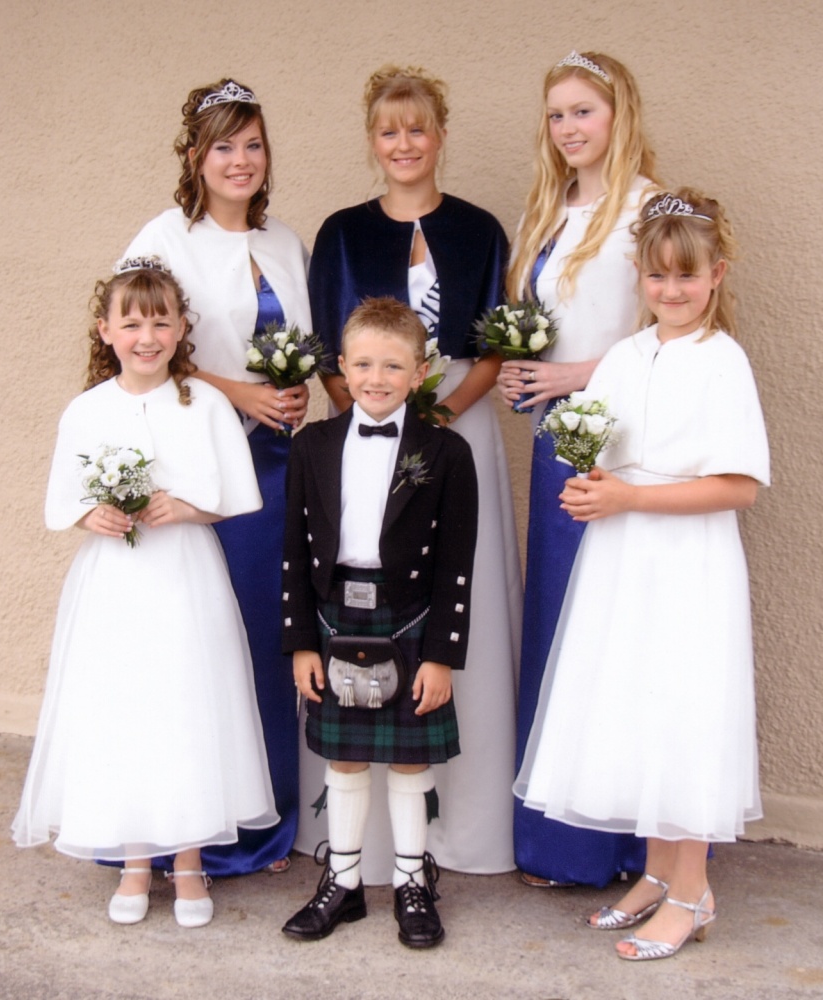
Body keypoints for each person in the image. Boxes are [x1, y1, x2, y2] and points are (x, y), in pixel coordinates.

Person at [515, 189, 770, 960]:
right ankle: (658, 876)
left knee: (682, 712)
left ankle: (692, 893)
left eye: (686, 277)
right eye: (657, 276)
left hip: (686, 563)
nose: (671, 291)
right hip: (622, 561)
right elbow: (595, 450)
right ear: (638, 276)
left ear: (716, 274)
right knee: (634, 704)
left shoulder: (721, 362)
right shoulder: (625, 359)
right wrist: (591, 484)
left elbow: (739, 486)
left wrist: (628, 494)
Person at [12, 260, 279, 927]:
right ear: (105, 331)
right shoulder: (88, 409)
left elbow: (235, 497)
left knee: (186, 706)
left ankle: (188, 864)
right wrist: (90, 515)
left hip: (185, 574)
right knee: (125, 706)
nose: (147, 336)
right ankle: (135, 862)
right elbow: (62, 499)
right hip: (116, 581)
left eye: (161, 321)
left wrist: (185, 509)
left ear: (182, 327)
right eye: (131, 322)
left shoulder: (205, 402)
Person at [303, 64, 520, 882]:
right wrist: (379, 415)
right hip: (366, 416)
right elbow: (330, 348)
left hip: (455, 425)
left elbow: (495, 340)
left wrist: (442, 412)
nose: (404, 143)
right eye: (388, 130)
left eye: (417, 128)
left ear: (439, 136)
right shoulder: (343, 232)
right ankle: (352, 838)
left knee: (454, 587)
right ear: (372, 141)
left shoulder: (478, 227)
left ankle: (460, 827)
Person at [124, 79, 312, 875]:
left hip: (276, 470)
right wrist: (239, 392)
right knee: (201, 639)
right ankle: (182, 825)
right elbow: (133, 344)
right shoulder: (164, 238)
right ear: (195, 156)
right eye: (224, 145)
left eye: (254, 144)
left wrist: (302, 391)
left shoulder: (286, 245)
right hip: (203, 467)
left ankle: (263, 821)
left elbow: (307, 345)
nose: (241, 161)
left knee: (269, 637)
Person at [497, 50, 659, 887]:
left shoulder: (645, 212)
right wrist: (530, 370)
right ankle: (557, 840)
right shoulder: (549, 209)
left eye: (582, 112)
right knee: (562, 623)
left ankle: (623, 844)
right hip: (557, 440)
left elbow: (664, 334)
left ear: (617, 114)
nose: (567, 129)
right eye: (556, 114)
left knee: (612, 634)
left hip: (624, 444)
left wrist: (570, 375)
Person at [280, 297, 478, 947]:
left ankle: (410, 884)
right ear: (339, 368)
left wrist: (441, 655)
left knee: (407, 765)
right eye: (362, 364)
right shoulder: (311, 446)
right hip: (336, 612)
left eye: (392, 366)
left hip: (410, 618)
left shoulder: (446, 453)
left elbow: (455, 564)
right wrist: (301, 643)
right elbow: (292, 551)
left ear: (420, 372)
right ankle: (341, 883)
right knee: (343, 760)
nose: (375, 378)